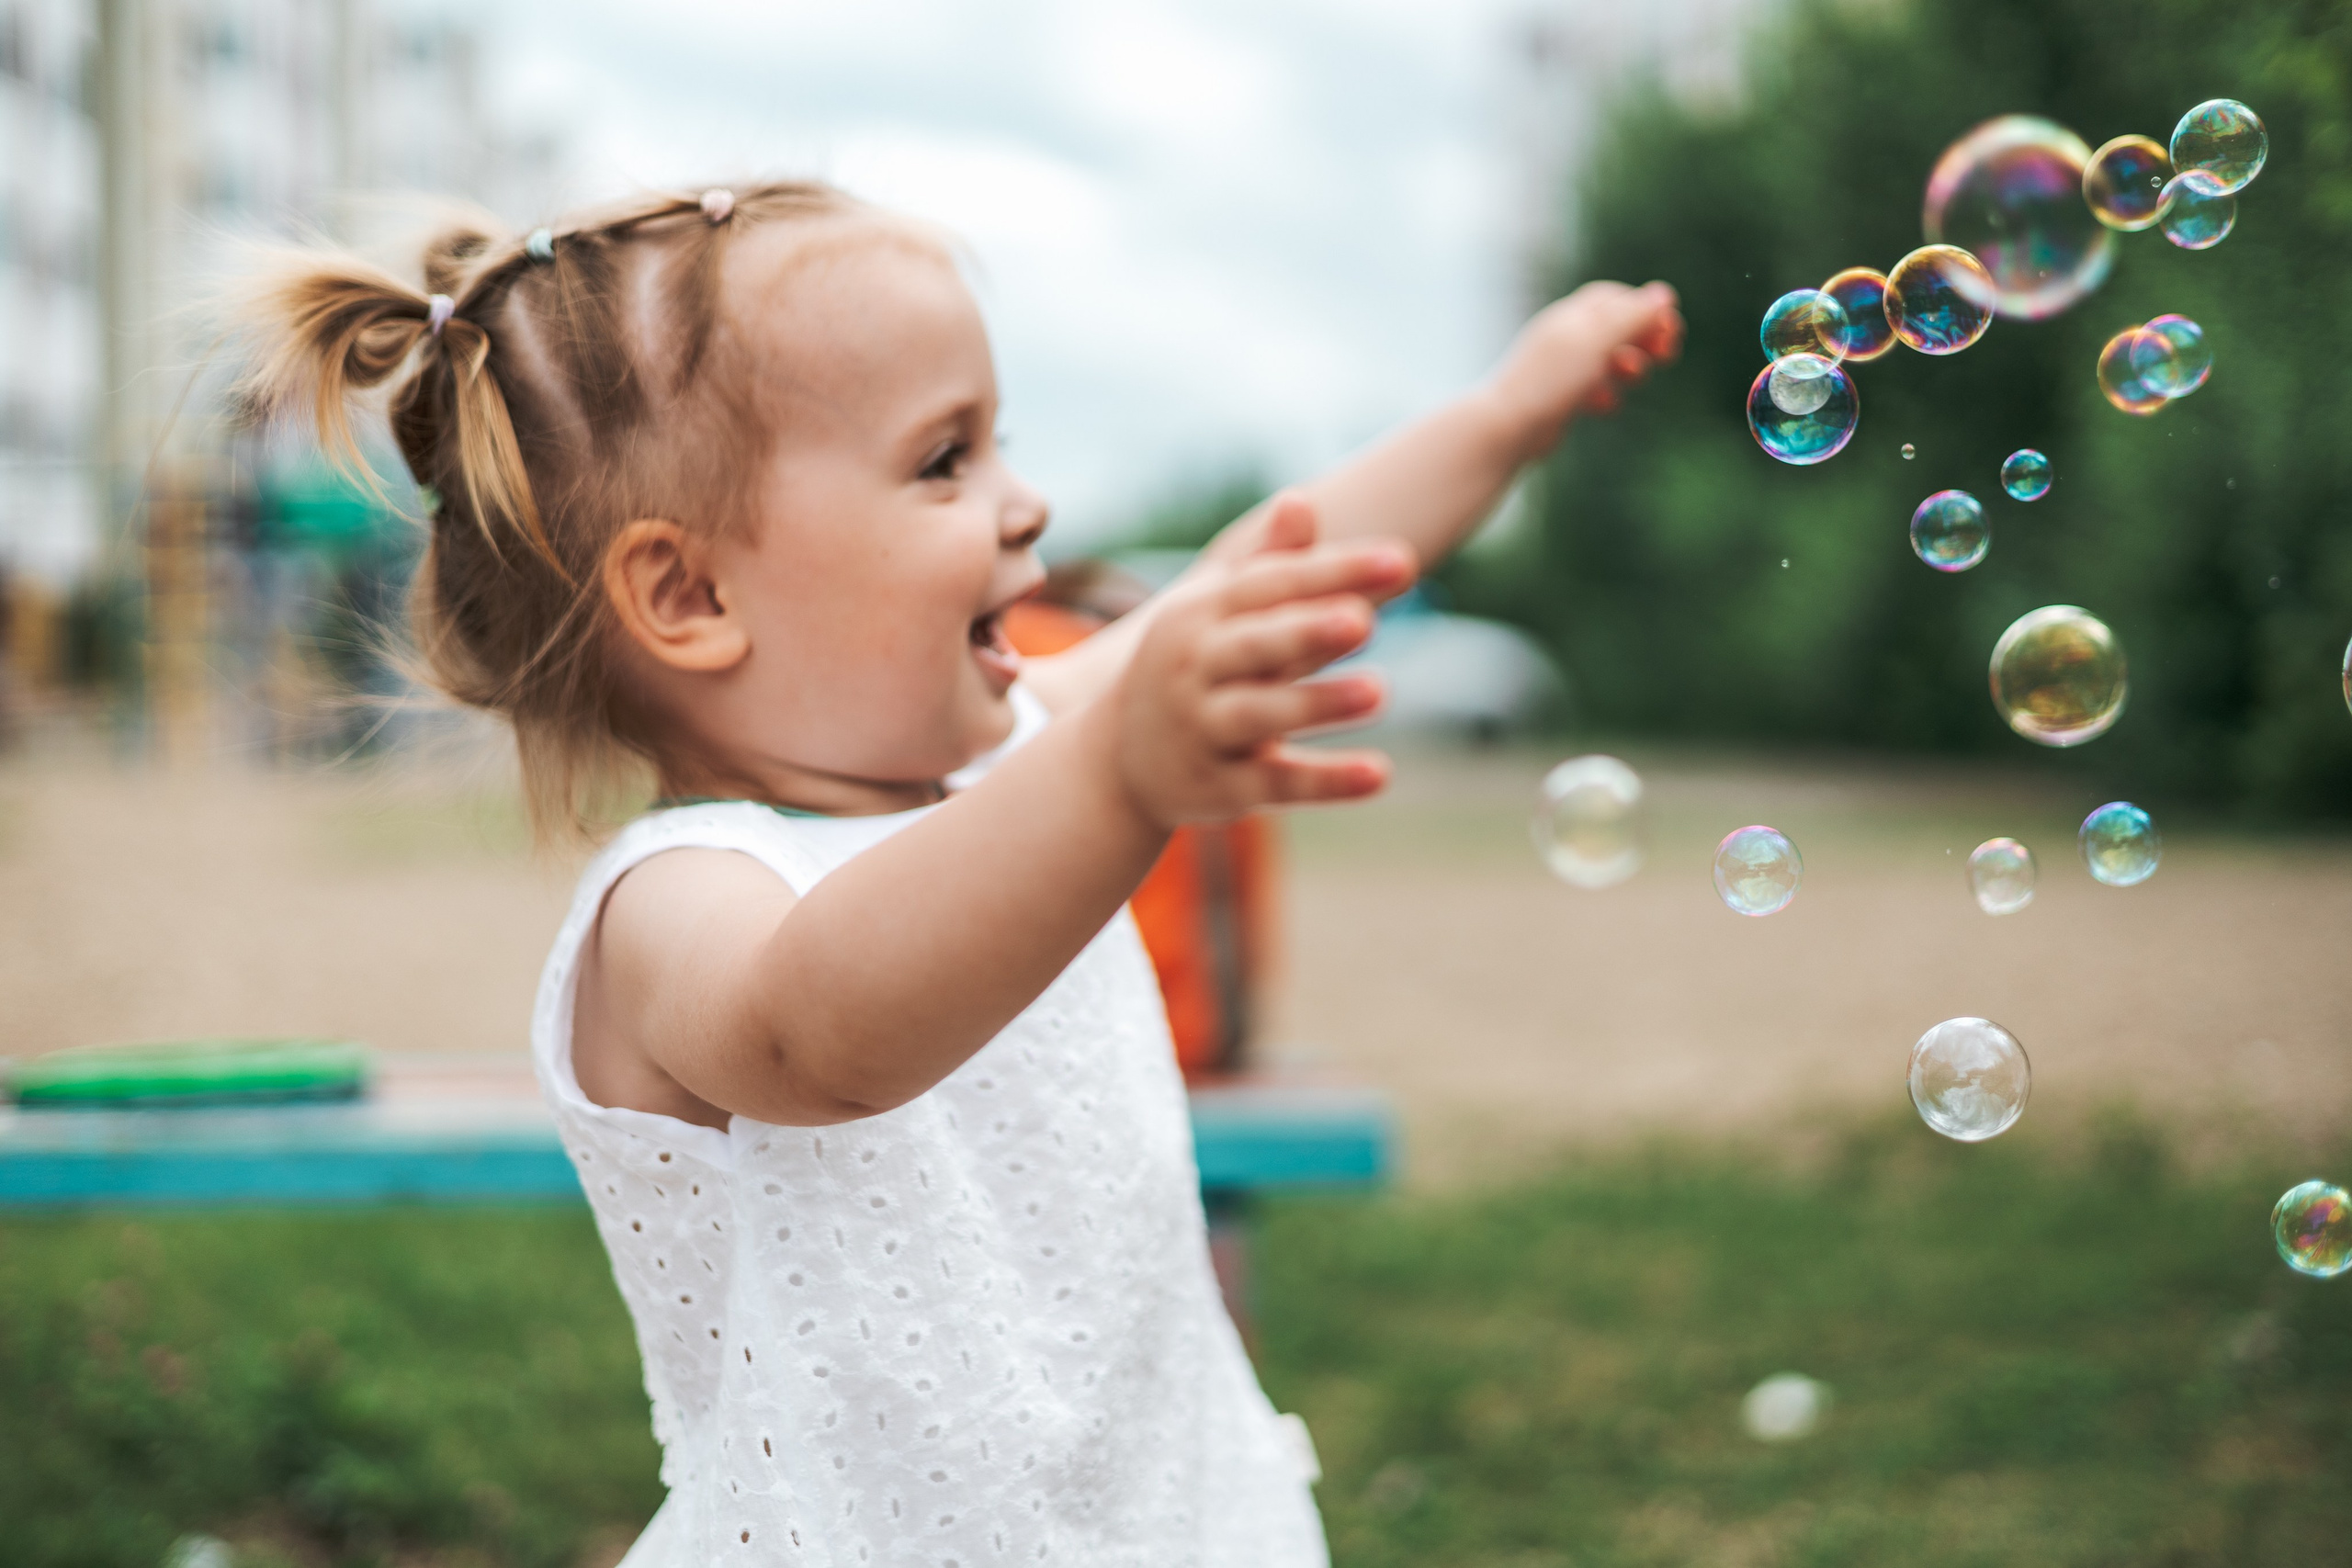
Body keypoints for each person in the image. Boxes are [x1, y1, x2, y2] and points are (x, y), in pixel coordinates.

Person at [235, 180, 1679, 1567]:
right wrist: (1119, 773)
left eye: (1001, 443)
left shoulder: (1011, 761)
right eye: (945, 459)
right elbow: (828, 1032)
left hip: (1169, 1521)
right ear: (690, 596)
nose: (1027, 504)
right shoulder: (676, 903)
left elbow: (1284, 566)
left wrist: (1509, 411)